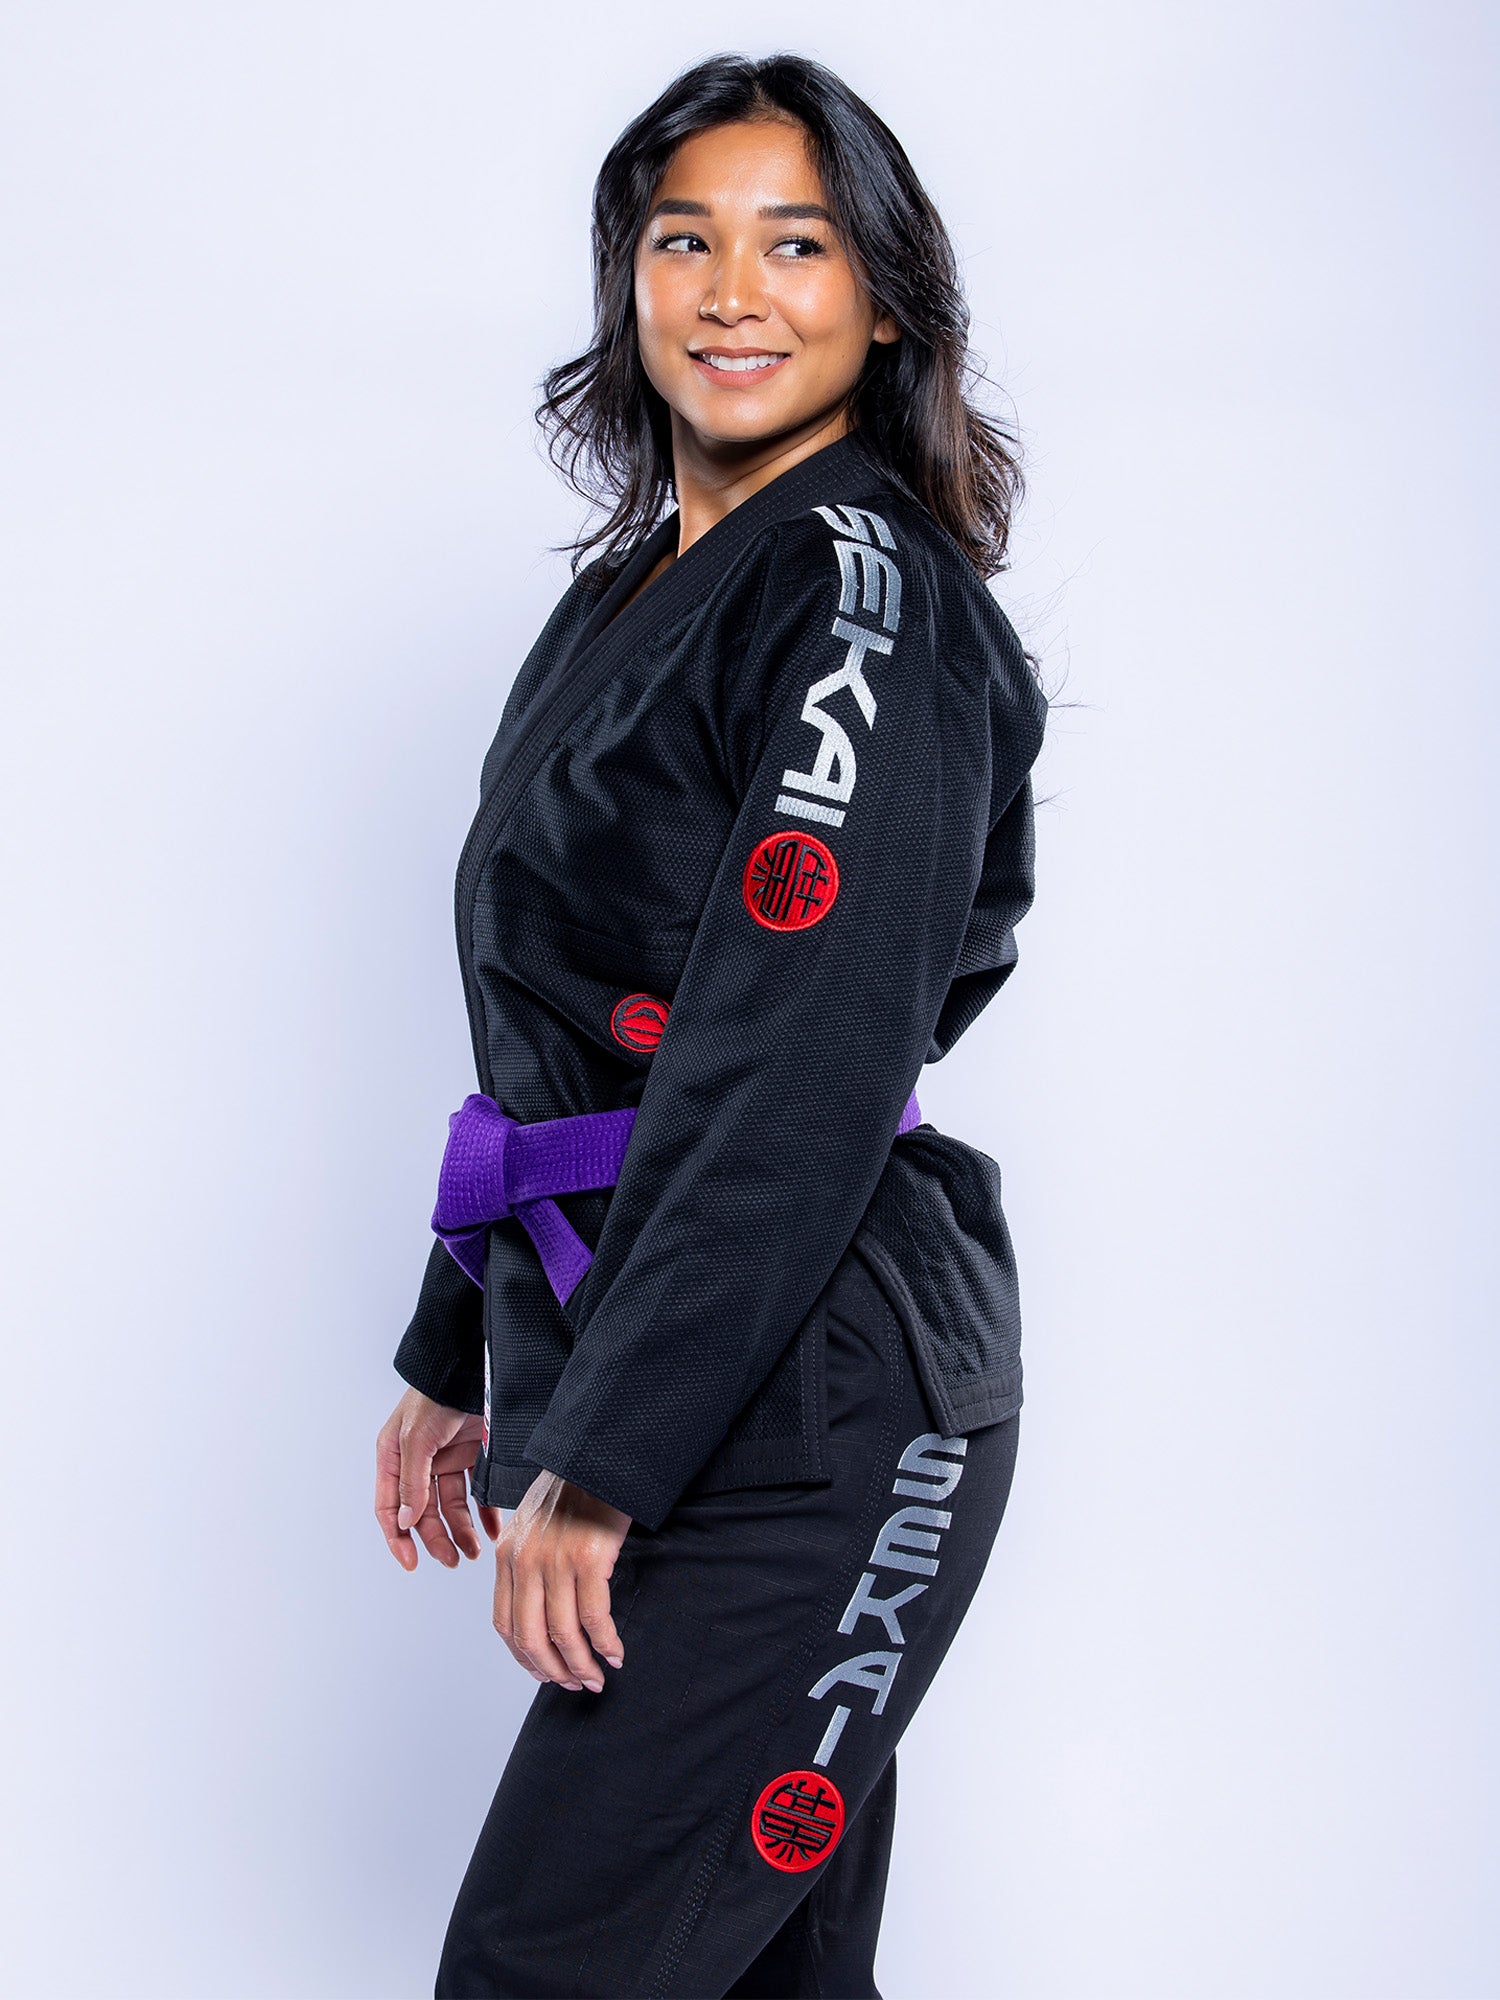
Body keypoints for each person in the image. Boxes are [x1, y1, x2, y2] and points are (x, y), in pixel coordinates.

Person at [373, 51, 1046, 2000]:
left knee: (550, 1972)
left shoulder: (865, 612)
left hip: (830, 1396)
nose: (731, 288)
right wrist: (458, 1344)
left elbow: (793, 1059)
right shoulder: (618, 601)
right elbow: (556, 1012)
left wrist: (603, 1458)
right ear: (629, 284)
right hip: (654, 1342)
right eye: (685, 239)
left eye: (795, 241)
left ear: (884, 299)